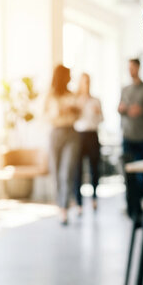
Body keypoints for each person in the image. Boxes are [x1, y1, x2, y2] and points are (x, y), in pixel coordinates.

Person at [118, 58, 143, 218]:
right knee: (127, 173)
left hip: (142, 136)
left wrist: (141, 110)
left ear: (138, 68)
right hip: (127, 135)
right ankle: (131, 205)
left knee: (142, 173)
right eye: (128, 68)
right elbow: (120, 108)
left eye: (133, 68)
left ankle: (141, 202)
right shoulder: (124, 89)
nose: (131, 71)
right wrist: (122, 109)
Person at [45, 64, 80, 225]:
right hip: (56, 133)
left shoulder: (73, 95)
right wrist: (58, 111)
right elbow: (44, 116)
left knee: (67, 171)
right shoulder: (50, 96)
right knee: (56, 170)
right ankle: (60, 205)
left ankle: (65, 208)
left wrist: (72, 110)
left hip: (71, 133)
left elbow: (79, 113)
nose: (71, 78)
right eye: (68, 75)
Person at [73, 73, 103, 211]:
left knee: (94, 168)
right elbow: (72, 120)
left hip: (92, 135)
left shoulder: (96, 100)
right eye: (84, 82)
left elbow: (101, 119)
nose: (86, 84)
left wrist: (97, 113)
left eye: (88, 81)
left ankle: (94, 198)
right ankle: (79, 203)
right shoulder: (75, 100)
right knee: (78, 169)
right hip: (79, 136)